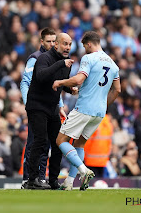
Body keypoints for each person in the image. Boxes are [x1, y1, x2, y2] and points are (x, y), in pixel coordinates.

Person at [53, 31, 121, 191]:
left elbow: (78, 79)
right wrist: (104, 104)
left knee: (60, 140)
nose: (84, 50)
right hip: (99, 113)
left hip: (84, 108)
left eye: (85, 47)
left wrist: (60, 82)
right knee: (79, 144)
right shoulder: (113, 64)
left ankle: (83, 170)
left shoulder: (89, 58)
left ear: (89, 44)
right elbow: (117, 90)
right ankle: (69, 182)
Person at [25, 33, 75, 190]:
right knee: (39, 141)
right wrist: (61, 64)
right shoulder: (44, 58)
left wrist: (70, 88)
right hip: (37, 105)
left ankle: (53, 180)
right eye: (64, 44)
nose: (67, 47)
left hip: (52, 107)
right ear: (56, 45)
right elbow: (41, 76)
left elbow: (58, 84)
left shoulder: (66, 63)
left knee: (59, 143)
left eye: (69, 44)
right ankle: (32, 179)